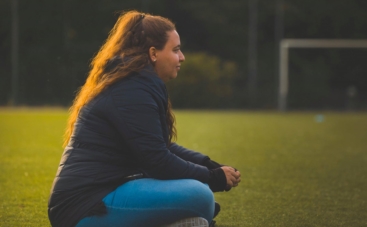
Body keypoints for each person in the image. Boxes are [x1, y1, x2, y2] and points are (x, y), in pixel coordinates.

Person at [48, 10, 241, 227]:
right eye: (176, 50)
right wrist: (212, 177)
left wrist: (211, 166)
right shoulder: (130, 89)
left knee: (198, 197)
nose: (182, 57)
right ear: (153, 53)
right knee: (201, 195)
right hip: (82, 209)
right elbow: (158, 160)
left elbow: (161, 147)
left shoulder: (134, 83)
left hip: (99, 197)